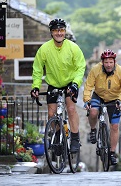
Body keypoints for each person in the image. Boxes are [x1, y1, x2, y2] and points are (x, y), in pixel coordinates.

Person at [31, 18, 86, 153]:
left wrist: (75, 84)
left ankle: (74, 138)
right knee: (51, 114)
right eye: (56, 30)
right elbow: (37, 69)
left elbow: (81, 67)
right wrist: (36, 87)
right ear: (51, 32)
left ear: (65, 31)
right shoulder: (44, 49)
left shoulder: (73, 48)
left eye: (61, 30)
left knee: (71, 108)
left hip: (70, 83)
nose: (59, 33)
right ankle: (56, 136)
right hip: (54, 84)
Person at [83, 49, 121, 165]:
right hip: (98, 96)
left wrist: (120, 99)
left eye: (111, 62)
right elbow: (88, 86)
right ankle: (93, 130)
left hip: (114, 99)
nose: (108, 65)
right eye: (106, 62)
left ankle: (112, 153)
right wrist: (87, 100)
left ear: (114, 62)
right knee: (93, 112)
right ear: (102, 62)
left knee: (114, 126)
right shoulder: (95, 70)